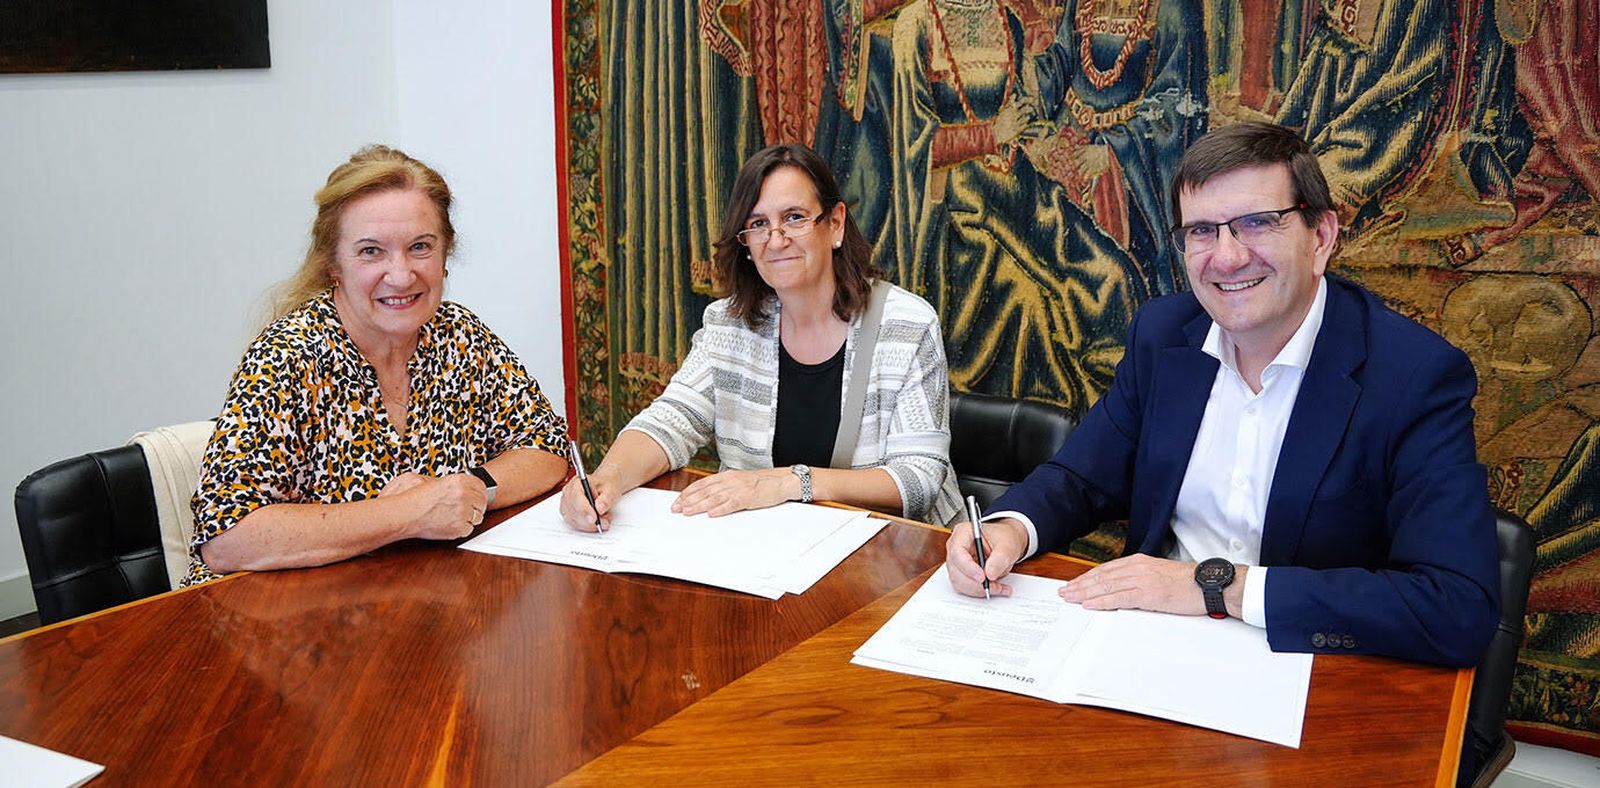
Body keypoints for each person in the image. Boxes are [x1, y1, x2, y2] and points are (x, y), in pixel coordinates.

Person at [945, 121, 1500, 668]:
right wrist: (1008, 529)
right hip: (1145, 652)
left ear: (1321, 236)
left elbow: (1455, 608)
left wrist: (1216, 586)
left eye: (1256, 223)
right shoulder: (1164, 335)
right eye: (1202, 231)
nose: (1227, 257)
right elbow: (1082, 478)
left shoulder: (1414, 376)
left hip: (1306, 671)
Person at [186, 145, 570, 585]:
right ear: (333, 264)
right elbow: (226, 537)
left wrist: (472, 489)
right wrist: (410, 513)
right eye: (371, 252)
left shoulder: (459, 335)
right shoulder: (287, 356)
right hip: (270, 611)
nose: (401, 275)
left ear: (445, 255)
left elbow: (547, 445)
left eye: (420, 247)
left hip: (411, 597)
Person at [560, 143, 961, 529]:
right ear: (747, 245)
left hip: (893, 552)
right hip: (770, 549)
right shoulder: (728, 324)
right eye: (758, 225)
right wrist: (608, 478)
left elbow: (919, 478)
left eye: (794, 217)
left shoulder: (907, 325)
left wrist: (790, 482)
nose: (776, 239)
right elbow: (673, 419)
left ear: (835, 224)